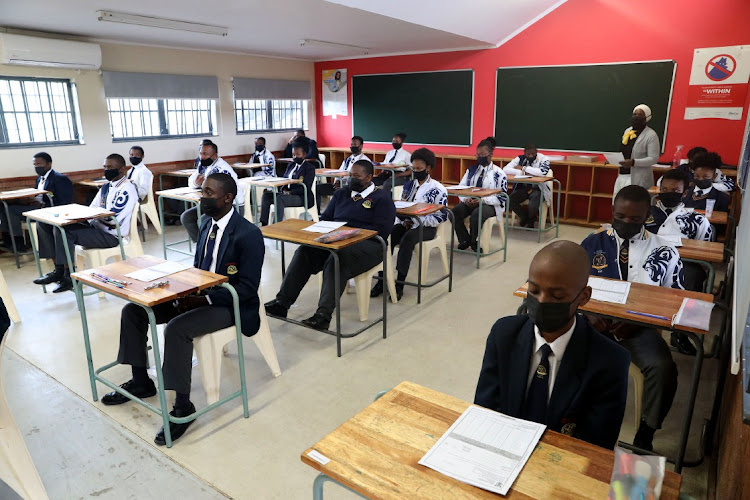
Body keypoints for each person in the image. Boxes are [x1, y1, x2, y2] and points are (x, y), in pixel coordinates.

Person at [101, 173, 264, 445]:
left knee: (177, 329)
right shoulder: (204, 223)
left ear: (228, 198)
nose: (202, 197)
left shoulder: (249, 234)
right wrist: (180, 287)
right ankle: (141, 380)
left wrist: (203, 300)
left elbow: (247, 288)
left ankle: (183, 407)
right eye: (202, 191)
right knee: (134, 311)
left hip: (227, 302)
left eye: (209, 193)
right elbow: (199, 268)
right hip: (196, 293)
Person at [475, 241, 630, 449]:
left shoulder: (610, 361)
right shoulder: (503, 335)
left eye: (557, 296)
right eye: (534, 290)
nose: (542, 301)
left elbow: (595, 446)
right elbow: (485, 412)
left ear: (583, 297)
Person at [581, 185, 683, 451]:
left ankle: (646, 433)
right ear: (613, 211)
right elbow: (575, 286)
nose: (626, 223)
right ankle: (573, 416)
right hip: (595, 324)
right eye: (620, 217)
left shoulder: (664, 250)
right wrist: (589, 314)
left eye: (634, 219)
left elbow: (675, 298)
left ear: (647, 215)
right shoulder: (592, 244)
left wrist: (642, 321)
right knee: (567, 350)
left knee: (662, 368)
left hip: (640, 328)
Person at [264, 160, 396, 331]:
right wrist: (329, 232)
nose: (351, 179)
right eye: (350, 175)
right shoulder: (342, 193)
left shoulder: (382, 198)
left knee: (338, 260)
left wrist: (350, 233)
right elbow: (326, 218)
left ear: (369, 177)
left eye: (357, 176)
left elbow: (382, 231)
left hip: (369, 245)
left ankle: (323, 316)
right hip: (335, 240)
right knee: (305, 251)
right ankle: (282, 303)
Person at [33, 154, 138, 293]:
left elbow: (113, 219)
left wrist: (94, 217)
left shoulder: (127, 189)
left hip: (111, 235)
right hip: (96, 227)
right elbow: (92, 208)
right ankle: (58, 270)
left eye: (110, 167)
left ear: (121, 169)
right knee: (46, 225)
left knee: (64, 232)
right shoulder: (106, 187)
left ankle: (68, 277)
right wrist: (84, 217)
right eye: (105, 167)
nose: (107, 170)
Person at [370, 148, 447, 301]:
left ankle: (399, 283)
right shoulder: (408, 185)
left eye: (419, 169)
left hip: (427, 228)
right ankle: (382, 280)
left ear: (428, 168)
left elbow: (440, 217)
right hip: (407, 223)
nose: (415, 171)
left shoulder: (438, 189)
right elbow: (400, 206)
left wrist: (417, 221)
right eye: (413, 168)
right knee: (385, 237)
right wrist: (402, 220)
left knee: (408, 240)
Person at [0, 152, 73, 254]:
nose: (37, 167)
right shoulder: (40, 178)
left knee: (12, 211)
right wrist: (28, 201)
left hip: (48, 210)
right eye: (35, 165)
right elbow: (38, 195)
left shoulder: (59, 179)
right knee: (4, 207)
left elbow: (64, 202)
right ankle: (7, 239)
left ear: (49, 164)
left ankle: (18, 242)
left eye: (39, 164)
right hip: (36, 207)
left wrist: (42, 205)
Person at [452, 136, 507, 251]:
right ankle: (465, 239)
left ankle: (473, 241)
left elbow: (502, 197)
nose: (479, 157)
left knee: (477, 214)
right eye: (478, 155)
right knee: (454, 212)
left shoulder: (499, 173)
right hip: (470, 201)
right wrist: (465, 199)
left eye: (482, 155)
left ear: (490, 154)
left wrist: (483, 200)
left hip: (490, 205)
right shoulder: (472, 170)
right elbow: (461, 188)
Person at [181, 141, 244, 242]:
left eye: (205, 154)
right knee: (186, 217)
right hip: (212, 203)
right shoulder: (203, 165)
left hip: (230, 205)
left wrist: (202, 187)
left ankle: (211, 245)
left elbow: (218, 193)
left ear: (215, 156)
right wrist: (197, 183)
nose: (202, 157)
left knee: (204, 220)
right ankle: (201, 244)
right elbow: (191, 182)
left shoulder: (221, 168)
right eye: (201, 154)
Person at [259, 142, 315, 226]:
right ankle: (264, 224)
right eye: (293, 155)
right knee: (266, 196)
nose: (295, 157)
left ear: (304, 155)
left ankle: (276, 225)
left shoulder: (309, 168)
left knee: (280, 199)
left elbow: (306, 186)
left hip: (302, 196)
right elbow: (285, 179)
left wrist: (291, 192)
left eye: (298, 154)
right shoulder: (291, 165)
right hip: (286, 193)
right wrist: (283, 188)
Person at [613, 104, 660, 198]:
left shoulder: (651, 135)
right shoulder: (627, 131)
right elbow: (624, 151)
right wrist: (614, 159)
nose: (636, 117)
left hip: (638, 177)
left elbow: (653, 158)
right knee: (618, 202)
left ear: (647, 118)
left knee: (633, 204)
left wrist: (633, 162)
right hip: (622, 175)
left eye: (640, 115)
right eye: (635, 114)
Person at [315, 136, 371, 212]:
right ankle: (317, 213)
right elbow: (339, 172)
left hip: (352, 186)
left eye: (355, 145)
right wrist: (337, 182)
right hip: (340, 184)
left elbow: (360, 178)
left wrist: (344, 184)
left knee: (340, 192)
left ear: (361, 146)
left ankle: (336, 213)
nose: (353, 147)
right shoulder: (348, 159)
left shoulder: (364, 161)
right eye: (351, 145)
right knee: (317, 188)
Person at [503, 143, 551, 228]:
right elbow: (505, 169)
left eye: (532, 153)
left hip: (538, 189)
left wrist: (523, 168)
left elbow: (542, 172)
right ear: (524, 152)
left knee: (533, 203)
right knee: (510, 200)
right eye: (528, 154)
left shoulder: (544, 159)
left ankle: (530, 218)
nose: (530, 155)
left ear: (536, 152)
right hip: (523, 188)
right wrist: (521, 172)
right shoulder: (519, 158)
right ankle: (525, 217)